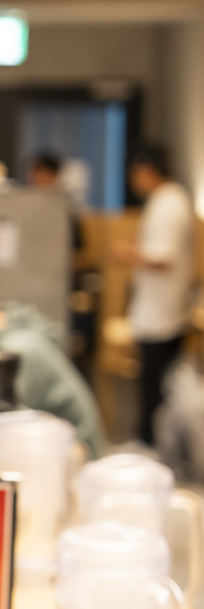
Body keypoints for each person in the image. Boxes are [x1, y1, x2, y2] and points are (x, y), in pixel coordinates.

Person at [114, 144, 195, 447]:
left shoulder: (168, 203)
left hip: (161, 309)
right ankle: (153, 440)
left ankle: (151, 442)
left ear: (147, 170)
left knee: (155, 383)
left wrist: (128, 253)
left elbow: (163, 258)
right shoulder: (171, 199)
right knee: (156, 380)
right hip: (162, 306)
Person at [0, 302, 106, 454]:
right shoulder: (25, 336)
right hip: (64, 448)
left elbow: (5, 421)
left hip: (76, 456)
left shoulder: (19, 349)